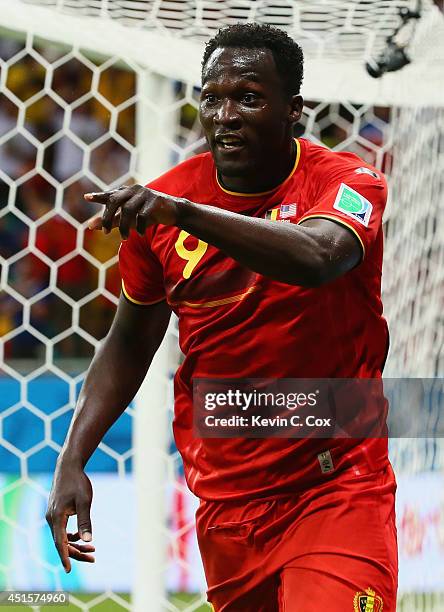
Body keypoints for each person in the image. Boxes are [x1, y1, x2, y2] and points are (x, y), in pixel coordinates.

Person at [46, 23, 397, 612]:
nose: (226, 114)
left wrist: (184, 213)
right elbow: (129, 341)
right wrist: (73, 456)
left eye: (249, 98)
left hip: (336, 485)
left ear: (294, 111)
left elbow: (317, 257)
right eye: (213, 98)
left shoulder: (346, 182)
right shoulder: (160, 206)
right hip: (228, 502)